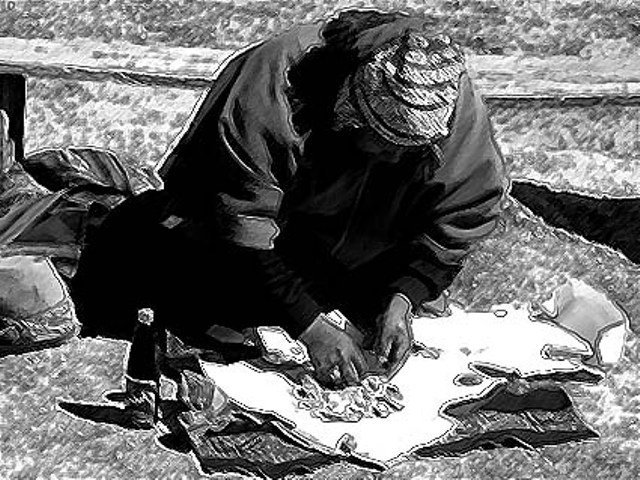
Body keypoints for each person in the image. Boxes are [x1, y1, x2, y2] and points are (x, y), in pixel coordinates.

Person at [69, 9, 508, 424]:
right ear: (350, 111)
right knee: (180, 292)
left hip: (346, 238)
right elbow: (241, 223)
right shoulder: (272, 86)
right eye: (383, 141)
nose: (393, 156)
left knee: (382, 310)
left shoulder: (451, 106)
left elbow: (463, 215)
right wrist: (311, 328)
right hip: (245, 230)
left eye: (406, 148)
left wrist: (404, 299)